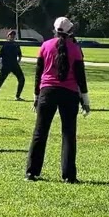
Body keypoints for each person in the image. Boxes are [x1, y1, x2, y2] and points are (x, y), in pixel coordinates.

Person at [25, 17, 90, 183]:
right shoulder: (75, 49)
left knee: (40, 132)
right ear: (70, 31)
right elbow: (81, 77)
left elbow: (38, 73)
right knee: (68, 134)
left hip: (47, 91)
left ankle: (31, 172)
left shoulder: (45, 46)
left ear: (54, 29)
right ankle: (69, 175)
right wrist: (85, 100)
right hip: (69, 94)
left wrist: (36, 96)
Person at [0, 30, 26, 101]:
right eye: (11, 35)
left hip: (14, 65)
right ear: (8, 36)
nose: (12, 36)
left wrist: (18, 61)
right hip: (5, 65)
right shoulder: (4, 44)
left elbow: (20, 54)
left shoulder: (16, 44)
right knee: (0, 81)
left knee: (22, 79)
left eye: (14, 35)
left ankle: (17, 96)